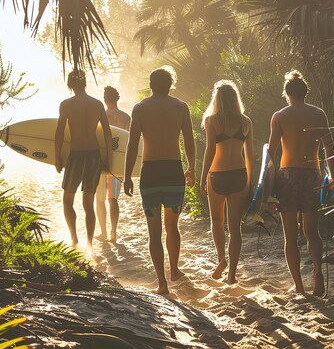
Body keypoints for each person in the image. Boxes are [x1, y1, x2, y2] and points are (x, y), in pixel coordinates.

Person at [124, 68, 196, 295]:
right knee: (172, 226)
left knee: (154, 232)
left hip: (151, 173)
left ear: (150, 84)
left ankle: (162, 283)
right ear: (170, 84)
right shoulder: (181, 107)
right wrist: (192, 167)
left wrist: (127, 175)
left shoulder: (140, 108)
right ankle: (174, 270)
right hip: (173, 170)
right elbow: (189, 141)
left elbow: (132, 144)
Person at [268, 70, 334, 296]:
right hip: (312, 175)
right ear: (305, 92)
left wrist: (267, 189)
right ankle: (317, 273)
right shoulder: (319, 114)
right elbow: (330, 148)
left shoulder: (279, 116)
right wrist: (333, 178)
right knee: (312, 231)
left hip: (287, 176)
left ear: (287, 93)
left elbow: (271, 154)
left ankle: (299, 286)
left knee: (290, 235)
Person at [200, 80, 254, 284]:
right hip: (239, 175)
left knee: (217, 222)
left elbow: (210, 150)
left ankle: (221, 260)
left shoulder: (211, 121)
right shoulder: (246, 121)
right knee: (235, 228)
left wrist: (203, 176)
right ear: (235, 99)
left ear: (217, 99)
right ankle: (231, 274)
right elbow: (250, 155)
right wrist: (250, 180)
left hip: (217, 175)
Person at [55, 71, 112, 250]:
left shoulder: (66, 105)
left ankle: (74, 239)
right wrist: (108, 158)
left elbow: (59, 132)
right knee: (89, 204)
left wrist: (57, 156)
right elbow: (108, 132)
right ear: (85, 83)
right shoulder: (97, 104)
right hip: (94, 155)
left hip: (76, 155)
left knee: (67, 201)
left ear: (70, 85)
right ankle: (89, 242)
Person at [95, 86, 131, 243]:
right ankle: (113, 232)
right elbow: (128, 143)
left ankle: (103, 232)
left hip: (100, 161)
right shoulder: (126, 118)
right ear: (117, 99)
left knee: (100, 199)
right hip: (117, 163)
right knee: (113, 199)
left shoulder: (98, 117)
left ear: (105, 99)